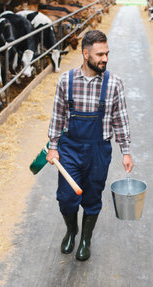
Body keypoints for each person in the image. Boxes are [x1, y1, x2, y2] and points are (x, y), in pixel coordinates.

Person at [47, 30, 133, 261]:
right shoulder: (66, 80)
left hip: (98, 150)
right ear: (85, 54)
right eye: (99, 54)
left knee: (93, 197)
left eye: (107, 53)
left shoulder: (114, 83)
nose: (105, 58)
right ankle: (71, 230)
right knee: (66, 197)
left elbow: (120, 119)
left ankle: (85, 238)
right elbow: (57, 115)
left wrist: (126, 152)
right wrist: (53, 146)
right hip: (69, 148)